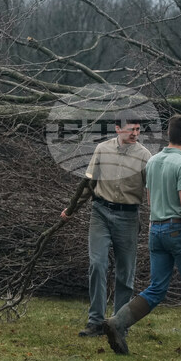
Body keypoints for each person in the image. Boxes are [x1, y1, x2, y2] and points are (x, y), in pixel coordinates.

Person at [104, 115, 181, 356]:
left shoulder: (152, 162)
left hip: (156, 229)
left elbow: (150, 200)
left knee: (157, 287)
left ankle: (118, 323)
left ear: (168, 134)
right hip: (179, 230)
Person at [61, 121, 151, 337]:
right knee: (97, 264)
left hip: (129, 215)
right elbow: (89, 183)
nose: (135, 134)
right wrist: (71, 208)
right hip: (100, 212)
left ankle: (119, 324)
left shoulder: (145, 156)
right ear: (118, 129)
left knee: (125, 272)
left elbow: (151, 189)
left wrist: (156, 217)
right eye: (131, 129)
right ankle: (96, 322)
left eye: (138, 130)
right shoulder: (102, 149)